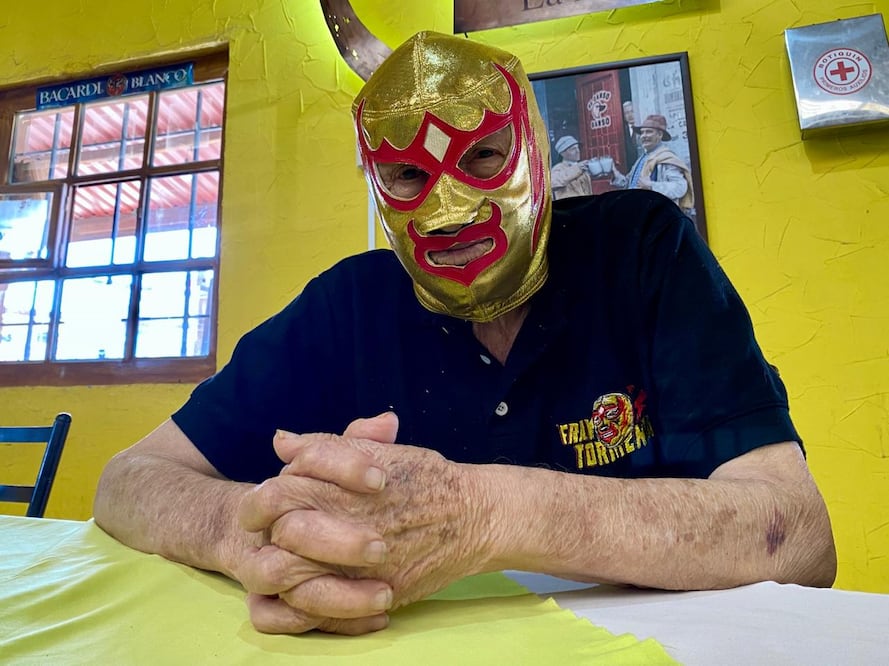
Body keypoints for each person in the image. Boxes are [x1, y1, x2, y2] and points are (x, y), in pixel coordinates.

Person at [94, 31, 836, 637]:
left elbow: (797, 534)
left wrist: (480, 514)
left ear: (536, 153)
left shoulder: (641, 250)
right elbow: (125, 481)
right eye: (409, 176)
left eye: (481, 156)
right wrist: (244, 531)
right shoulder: (349, 303)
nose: (447, 210)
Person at [611, 113, 695, 214]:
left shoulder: (666, 158)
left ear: (660, 135)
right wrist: (615, 172)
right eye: (642, 133)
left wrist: (652, 186)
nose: (644, 136)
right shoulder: (642, 158)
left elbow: (680, 187)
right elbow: (629, 184)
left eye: (649, 132)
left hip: (658, 215)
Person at [550, 135, 592, 199]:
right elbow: (553, 183)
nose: (577, 151)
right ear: (562, 153)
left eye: (577, 148)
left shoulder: (582, 167)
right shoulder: (558, 168)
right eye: (573, 149)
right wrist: (578, 168)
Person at [621, 100, 642, 164]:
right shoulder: (622, 130)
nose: (630, 115)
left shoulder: (643, 127)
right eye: (626, 113)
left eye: (632, 111)